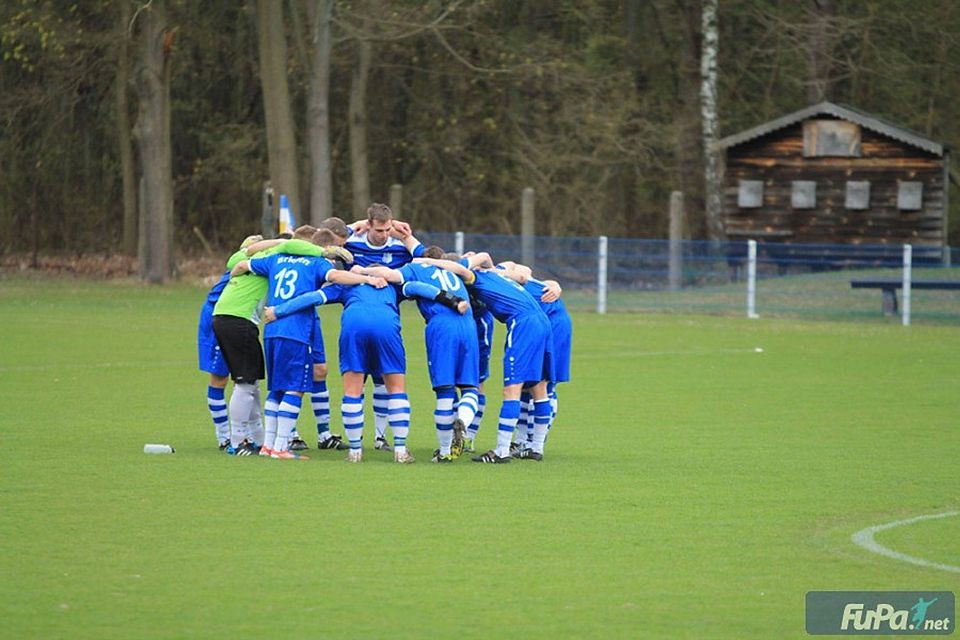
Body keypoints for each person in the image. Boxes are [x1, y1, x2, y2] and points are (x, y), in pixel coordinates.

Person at [265, 272, 466, 463]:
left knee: (352, 391)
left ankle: (355, 451)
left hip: (354, 324)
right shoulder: (392, 284)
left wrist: (278, 311)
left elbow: (312, 297)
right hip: (386, 324)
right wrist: (453, 300)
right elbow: (421, 288)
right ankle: (400, 450)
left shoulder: (348, 284)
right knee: (396, 389)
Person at [229, 239, 383, 460]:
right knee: (295, 388)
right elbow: (337, 277)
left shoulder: (276, 259)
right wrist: (368, 278)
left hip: (271, 330)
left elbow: (242, 266)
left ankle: (268, 446)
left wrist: (233, 285)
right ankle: (281, 448)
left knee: (277, 389)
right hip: (296, 331)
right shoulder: (316, 263)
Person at [415, 252, 554, 463]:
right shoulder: (496, 273)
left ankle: (501, 450)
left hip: (522, 324)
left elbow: (463, 270)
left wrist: (428, 262)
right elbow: (489, 258)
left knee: (512, 389)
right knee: (539, 387)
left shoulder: (475, 278)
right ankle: (537, 447)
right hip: (542, 321)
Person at [211, 234, 342, 455]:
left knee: (251, 383)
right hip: (240, 319)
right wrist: (321, 251)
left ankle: (260, 441)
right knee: (245, 384)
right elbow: (289, 245)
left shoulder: (250, 257)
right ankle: (237, 442)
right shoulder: (277, 255)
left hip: (226, 317)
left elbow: (238, 263)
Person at [357, 247, 478, 463]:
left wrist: (360, 270)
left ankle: (444, 452)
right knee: (470, 388)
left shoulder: (415, 267)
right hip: (468, 324)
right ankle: (463, 420)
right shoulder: (452, 271)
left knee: (445, 391)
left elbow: (389, 274)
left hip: (441, 326)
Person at [344, 203, 426, 452]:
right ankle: (356, 445)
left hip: (388, 317)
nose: (384, 234)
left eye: (388, 229)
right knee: (358, 380)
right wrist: (352, 225)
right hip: (359, 313)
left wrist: (408, 236)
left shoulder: (399, 248)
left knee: (383, 380)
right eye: (379, 229)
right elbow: (324, 241)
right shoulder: (352, 243)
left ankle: (380, 437)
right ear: (368, 225)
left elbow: (426, 259)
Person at [494, 262, 571, 455]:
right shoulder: (506, 280)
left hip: (552, 324)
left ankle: (535, 442)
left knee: (546, 385)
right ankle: (523, 442)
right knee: (528, 386)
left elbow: (523, 271)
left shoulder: (501, 277)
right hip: (542, 323)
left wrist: (554, 285)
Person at [197, 234, 262, 451]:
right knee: (220, 378)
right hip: (220, 314)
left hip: (234, 317)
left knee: (245, 379)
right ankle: (224, 437)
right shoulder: (244, 260)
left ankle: (251, 436)